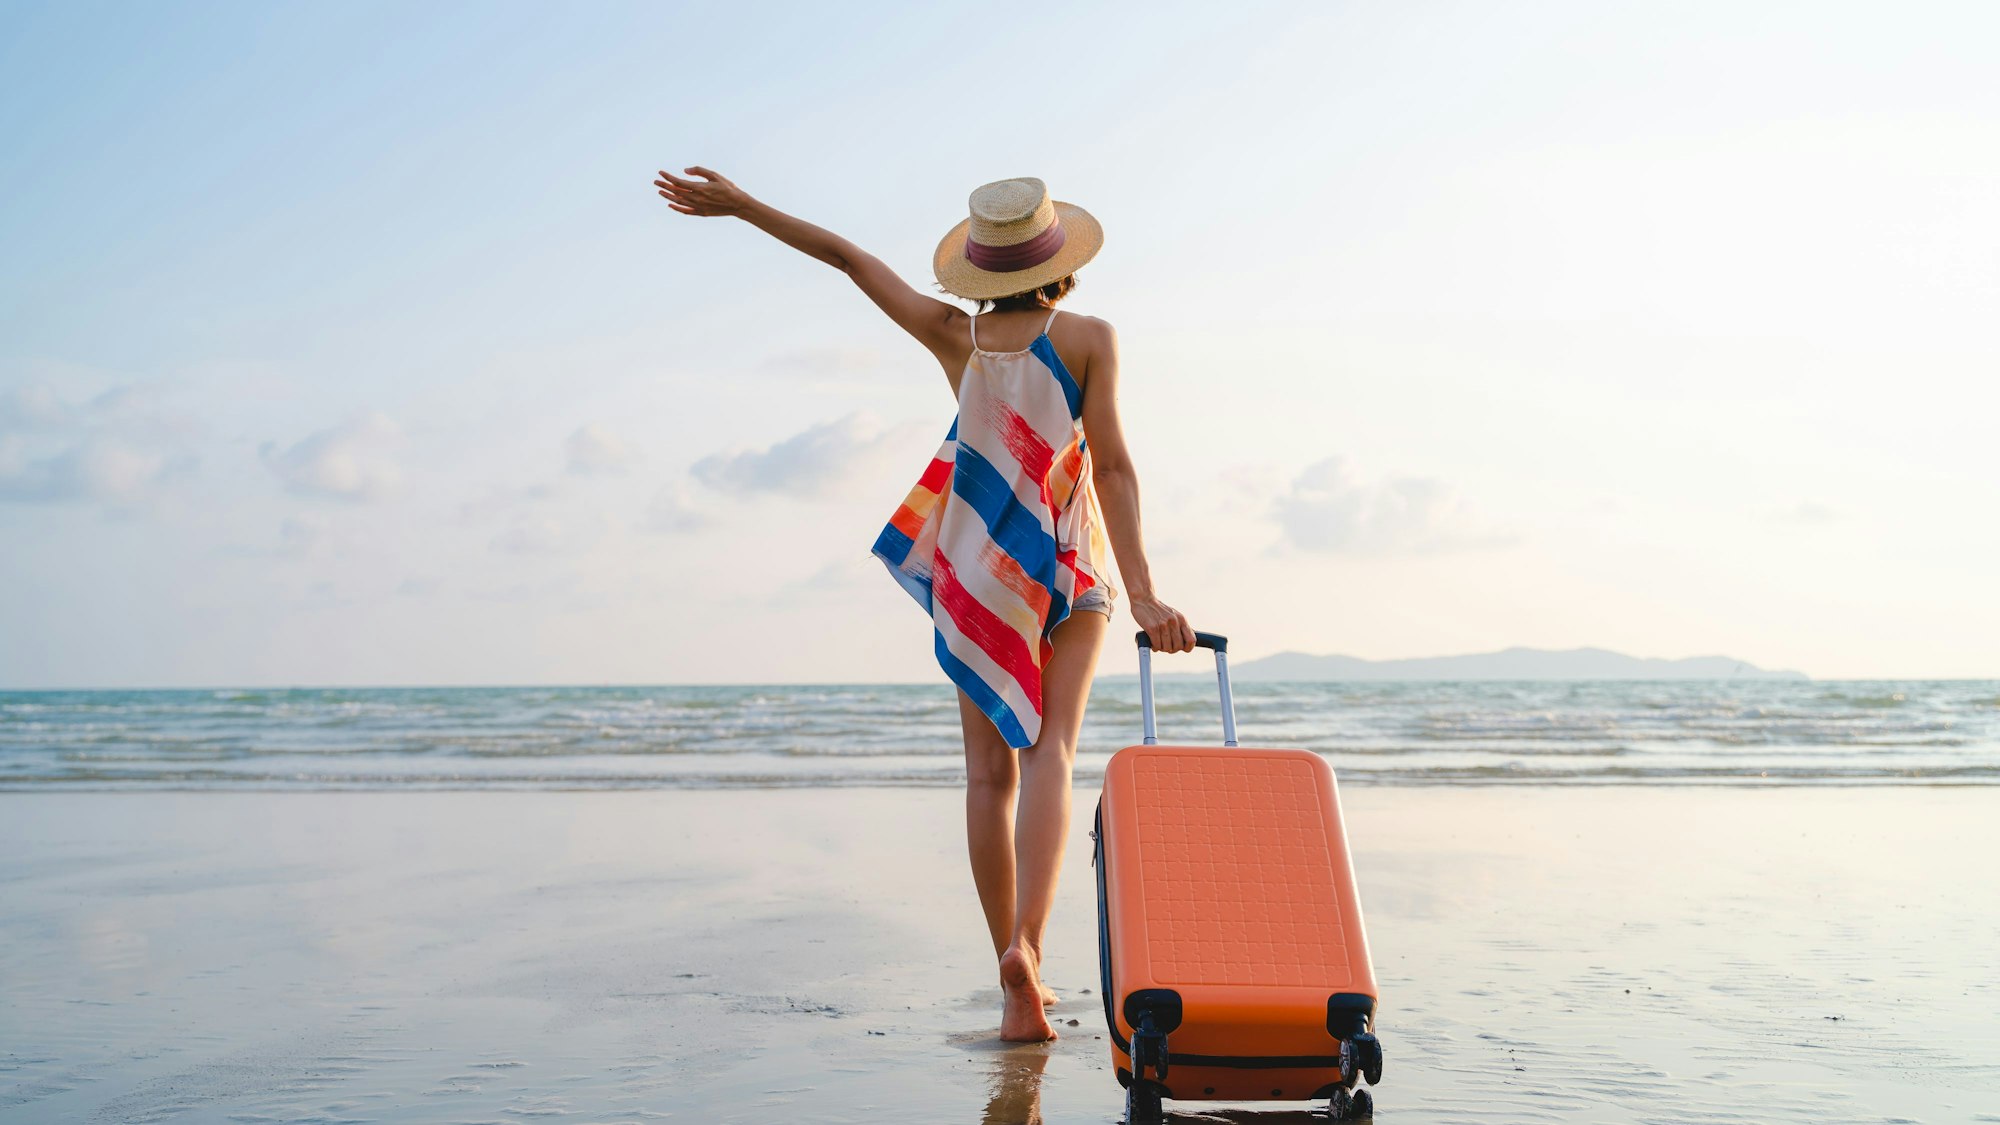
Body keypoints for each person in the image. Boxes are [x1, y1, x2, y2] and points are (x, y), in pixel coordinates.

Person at [654, 168, 1195, 1042]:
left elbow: (846, 258)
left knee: (988, 775)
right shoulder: (1091, 338)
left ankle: (1011, 973)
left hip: (976, 571)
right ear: (1057, 262)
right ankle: (1030, 944)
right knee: (1052, 751)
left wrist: (744, 206)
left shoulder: (953, 335)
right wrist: (1144, 591)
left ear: (980, 268)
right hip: (1064, 563)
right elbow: (1117, 468)